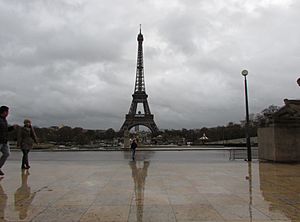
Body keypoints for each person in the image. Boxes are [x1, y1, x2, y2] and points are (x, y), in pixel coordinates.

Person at [0, 106, 17, 176]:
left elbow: (5, 130)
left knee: (7, 153)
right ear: (4, 112)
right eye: (7, 112)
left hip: (4, 140)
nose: (8, 113)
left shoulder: (4, 120)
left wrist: (12, 128)